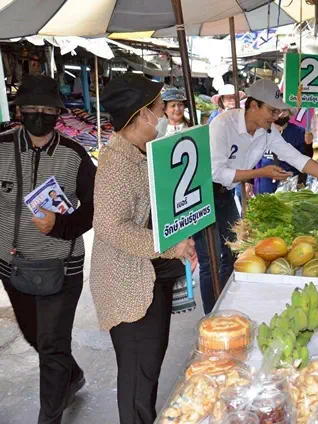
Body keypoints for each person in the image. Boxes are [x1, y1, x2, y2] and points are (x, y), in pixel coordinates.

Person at [196, 79, 318, 315]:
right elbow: (216, 172)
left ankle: (225, 308)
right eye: (272, 110)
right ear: (254, 105)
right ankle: (210, 316)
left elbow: (298, 159)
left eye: (278, 111)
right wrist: (259, 173)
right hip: (204, 195)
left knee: (231, 254)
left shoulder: (267, 131)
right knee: (209, 261)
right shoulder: (222, 125)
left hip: (226, 193)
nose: (276, 116)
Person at [91, 74, 198, 424]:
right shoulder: (117, 163)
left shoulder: (142, 152)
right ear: (141, 115)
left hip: (149, 279)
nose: (163, 114)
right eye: (158, 108)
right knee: (139, 374)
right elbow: (111, 227)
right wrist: (169, 246)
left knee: (148, 368)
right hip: (128, 286)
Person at [0, 74, 96, 423]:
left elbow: (94, 208)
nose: (39, 115)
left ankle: (49, 417)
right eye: (32, 108)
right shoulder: (1, 148)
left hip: (61, 267)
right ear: (19, 111)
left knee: (52, 345)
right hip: (12, 266)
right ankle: (72, 376)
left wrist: (60, 225)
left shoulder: (76, 155)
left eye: (47, 110)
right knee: (35, 338)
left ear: (57, 113)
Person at [253, 108, 315, 195]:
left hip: (290, 184)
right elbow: (251, 158)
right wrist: (249, 182)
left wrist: (308, 145)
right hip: (266, 184)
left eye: (284, 111)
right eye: (278, 110)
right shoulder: (260, 130)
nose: (281, 114)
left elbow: (307, 159)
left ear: (289, 112)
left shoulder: (299, 132)